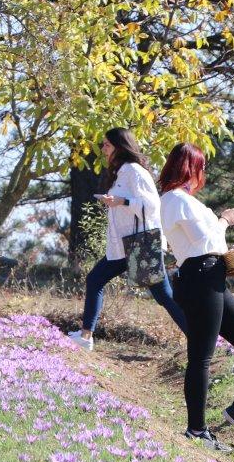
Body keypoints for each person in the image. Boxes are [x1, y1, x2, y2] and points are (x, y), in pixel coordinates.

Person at [158, 142, 234, 450]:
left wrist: (220, 222)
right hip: (200, 277)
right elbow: (208, 239)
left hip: (208, 276)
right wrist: (225, 220)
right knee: (201, 357)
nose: (203, 173)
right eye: (201, 167)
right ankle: (197, 430)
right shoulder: (176, 199)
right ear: (192, 168)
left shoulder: (181, 200)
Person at [67, 128, 186, 351]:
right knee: (96, 280)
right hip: (126, 247)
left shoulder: (134, 171)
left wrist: (121, 201)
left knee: (164, 296)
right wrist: (116, 201)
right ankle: (85, 336)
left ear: (120, 147)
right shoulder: (122, 171)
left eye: (107, 145)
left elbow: (153, 205)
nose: (102, 149)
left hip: (140, 244)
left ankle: (203, 338)